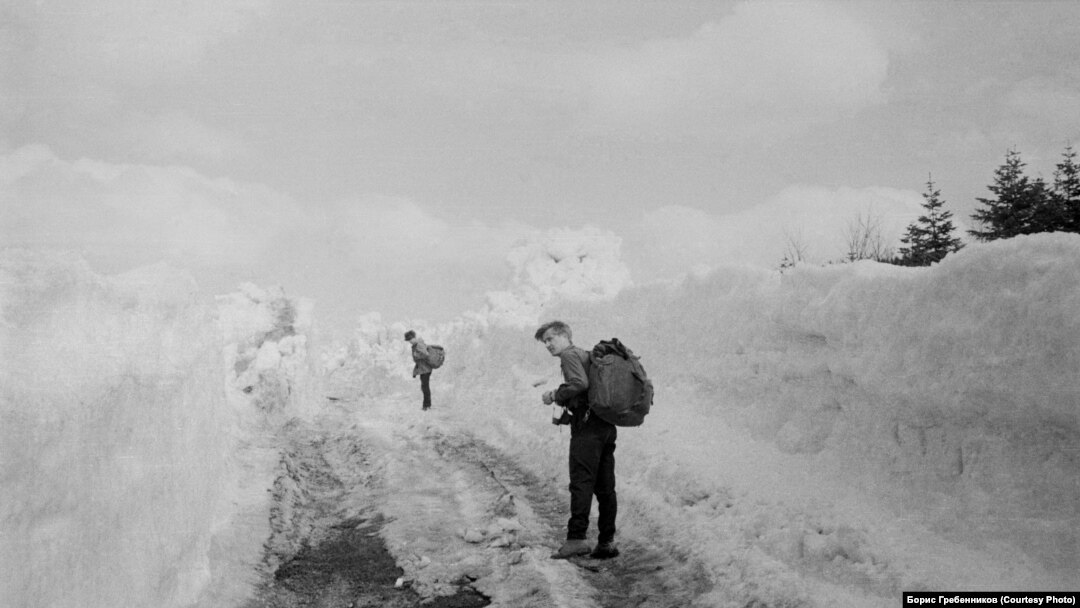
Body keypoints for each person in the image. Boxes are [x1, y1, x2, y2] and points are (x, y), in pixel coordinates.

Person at [534, 320, 619, 560]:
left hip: (587, 428)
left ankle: (576, 539)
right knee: (605, 487)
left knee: (581, 482)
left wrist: (554, 395)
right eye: (545, 342)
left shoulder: (570, 355)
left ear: (564, 336)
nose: (548, 345)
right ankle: (606, 542)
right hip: (605, 426)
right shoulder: (584, 354)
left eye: (551, 339)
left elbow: (580, 384)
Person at [404, 330, 433, 410]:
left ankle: (426, 406)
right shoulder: (416, 345)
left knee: (425, 387)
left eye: (410, 340)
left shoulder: (419, 344)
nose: (410, 342)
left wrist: (417, 355)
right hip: (423, 369)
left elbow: (426, 354)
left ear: (413, 337)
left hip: (425, 369)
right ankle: (426, 405)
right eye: (408, 340)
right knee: (424, 387)